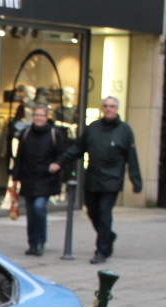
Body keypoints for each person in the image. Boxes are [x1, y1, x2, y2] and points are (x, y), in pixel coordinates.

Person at [51, 96, 142, 264]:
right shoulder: (93, 128)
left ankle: (102, 251)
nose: (108, 109)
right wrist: (59, 162)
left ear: (117, 109)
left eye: (112, 106)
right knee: (92, 213)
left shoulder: (124, 131)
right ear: (102, 108)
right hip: (93, 179)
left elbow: (132, 157)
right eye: (106, 106)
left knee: (104, 213)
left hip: (112, 180)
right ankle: (108, 236)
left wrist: (136, 181)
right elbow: (78, 148)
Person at [12, 104, 67, 256]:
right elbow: (19, 157)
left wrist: (56, 165)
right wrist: (15, 177)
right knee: (30, 213)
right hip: (28, 178)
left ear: (47, 117)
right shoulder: (26, 133)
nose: (38, 118)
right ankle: (32, 243)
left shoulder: (54, 134)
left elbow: (61, 155)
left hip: (46, 179)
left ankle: (40, 241)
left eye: (41, 115)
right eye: (36, 115)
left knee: (39, 207)